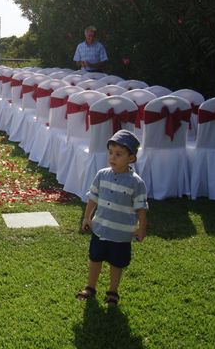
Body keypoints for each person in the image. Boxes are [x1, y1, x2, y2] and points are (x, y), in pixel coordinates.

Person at [76, 129, 148, 307]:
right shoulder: (102, 174)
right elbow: (93, 198)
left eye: (118, 154)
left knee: (117, 264)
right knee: (95, 259)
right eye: (110, 153)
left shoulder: (136, 183)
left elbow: (141, 209)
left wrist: (141, 228)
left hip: (121, 234)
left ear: (131, 158)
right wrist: (87, 218)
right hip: (99, 229)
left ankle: (113, 291)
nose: (112, 158)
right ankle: (90, 287)